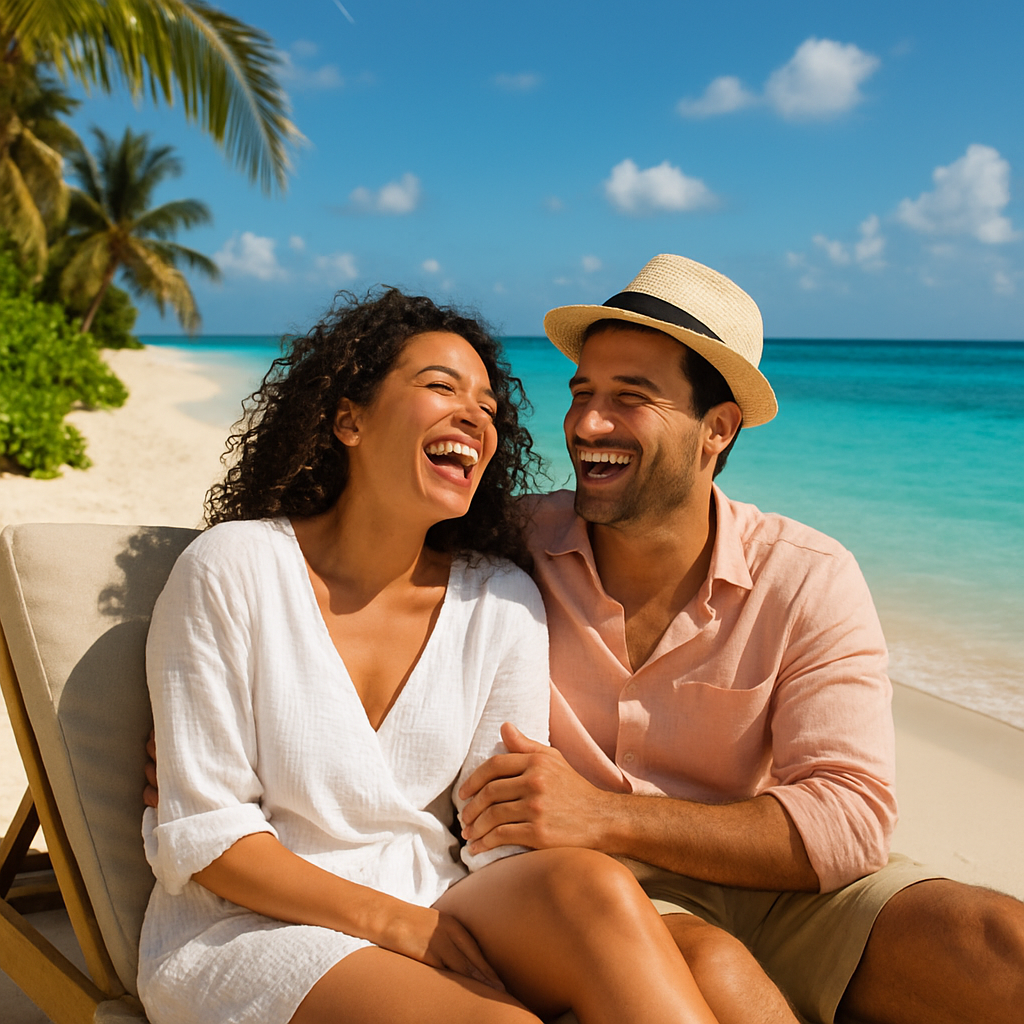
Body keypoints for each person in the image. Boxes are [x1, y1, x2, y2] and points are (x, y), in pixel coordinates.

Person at [456, 254, 1024, 1024]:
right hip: (588, 897)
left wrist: (606, 813)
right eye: (582, 394)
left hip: (767, 886)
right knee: (726, 985)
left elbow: (851, 821)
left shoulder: (807, 576)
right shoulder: (506, 545)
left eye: (630, 398)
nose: (586, 424)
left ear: (716, 429)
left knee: (998, 944)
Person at [138, 288, 728, 1024]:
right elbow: (207, 839)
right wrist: (398, 925)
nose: (475, 417)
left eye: (488, 406)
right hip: (250, 923)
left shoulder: (502, 600)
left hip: (438, 898)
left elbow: (496, 837)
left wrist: (560, 926)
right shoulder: (236, 568)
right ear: (348, 418)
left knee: (631, 912)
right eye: (441, 387)